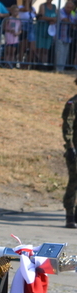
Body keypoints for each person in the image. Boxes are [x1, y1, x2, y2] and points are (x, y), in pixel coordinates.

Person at [62, 78, 77, 228]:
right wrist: (70, 147)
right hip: (75, 149)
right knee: (74, 182)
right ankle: (70, 215)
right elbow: (67, 127)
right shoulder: (72, 104)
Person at [35, 0, 57, 68]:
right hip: (41, 29)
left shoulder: (54, 6)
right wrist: (51, 19)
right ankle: (38, 64)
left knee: (46, 49)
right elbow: (42, 16)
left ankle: (44, 65)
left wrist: (53, 20)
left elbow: (56, 18)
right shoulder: (42, 6)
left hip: (49, 31)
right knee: (39, 48)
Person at [18, 0, 37, 68]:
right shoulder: (20, 7)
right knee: (23, 47)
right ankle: (20, 64)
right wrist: (26, 2)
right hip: (23, 26)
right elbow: (26, 9)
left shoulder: (33, 8)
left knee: (32, 48)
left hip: (31, 26)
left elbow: (35, 15)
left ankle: (27, 64)